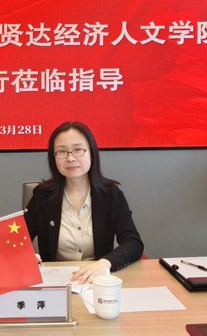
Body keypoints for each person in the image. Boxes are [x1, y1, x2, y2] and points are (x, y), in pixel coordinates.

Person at [25, 121, 143, 284]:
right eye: (62, 151)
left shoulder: (111, 195)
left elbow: (133, 242)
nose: (70, 158)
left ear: (92, 153)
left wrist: (104, 263)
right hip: (55, 283)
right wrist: (25, 256)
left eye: (78, 150)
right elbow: (16, 240)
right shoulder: (42, 196)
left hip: (97, 280)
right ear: (54, 157)